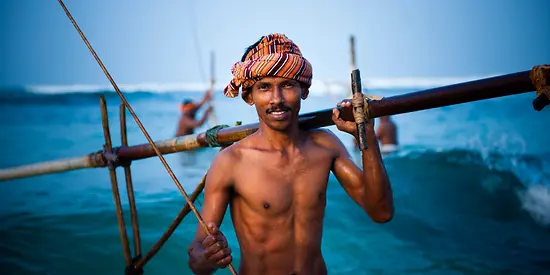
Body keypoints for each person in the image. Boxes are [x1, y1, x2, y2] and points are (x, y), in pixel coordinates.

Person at [186, 33, 394, 275]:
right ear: (249, 96)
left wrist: (366, 136)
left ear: (303, 90)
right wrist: (209, 257)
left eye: (287, 85)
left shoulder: (326, 146)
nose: (277, 99)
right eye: (264, 87)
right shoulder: (232, 161)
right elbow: (197, 260)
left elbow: (381, 212)